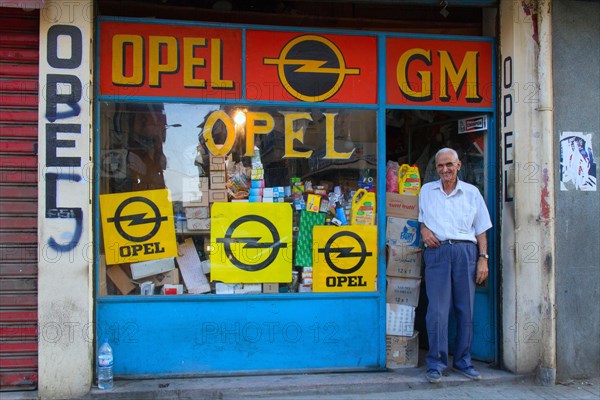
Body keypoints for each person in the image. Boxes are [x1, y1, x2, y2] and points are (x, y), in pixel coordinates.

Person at [418, 147, 492, 384]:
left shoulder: (472, 193)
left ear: (458, 165)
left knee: (465, 308)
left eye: (449, 164)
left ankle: (463, 361)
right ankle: (436, 363)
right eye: (440, 166)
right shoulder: (426, 191)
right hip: (437, 252)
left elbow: (481, 229)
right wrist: (424, 230)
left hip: (465, 252)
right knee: (437, 311)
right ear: (436, 168)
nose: (445, 169)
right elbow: (421, 220)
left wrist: (483, 258)